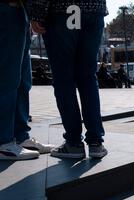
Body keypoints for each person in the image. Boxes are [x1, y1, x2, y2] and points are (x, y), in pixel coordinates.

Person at [29, 0, 108, 159]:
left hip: (64, 9)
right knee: (88, 77)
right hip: (94, 10)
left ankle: (73, 143)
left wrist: (37, 13)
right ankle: (95, 143)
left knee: (64, 78)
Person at [0, 0, 54, 161]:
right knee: (8, 79)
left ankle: (20, 136)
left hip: (20, 11)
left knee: (23, 81)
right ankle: (4, 141)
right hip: (7, 8)